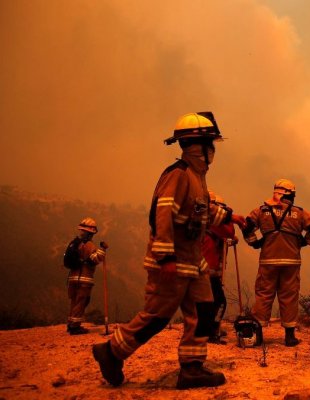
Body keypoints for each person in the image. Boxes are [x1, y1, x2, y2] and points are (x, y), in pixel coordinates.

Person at [92, 112, 245, 389]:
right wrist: (165, 258)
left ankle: (192, 369)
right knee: (157, 316)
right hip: (173, 260)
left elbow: (197, 211)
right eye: (211, 144)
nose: (213, 151)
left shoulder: (198, 177)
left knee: (204, 311)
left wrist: (229, 217)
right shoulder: (178, 175)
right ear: (198, 145)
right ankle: (112, 351)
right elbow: (162, 214)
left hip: (193, 261)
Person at [242, 178, 310, 346]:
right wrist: (304, 242)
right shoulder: (299, 212)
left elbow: (246, 225)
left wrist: (254, 242)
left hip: (268, 261)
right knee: (289, 296)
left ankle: (257, 335)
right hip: (291, 262)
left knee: (264, 295)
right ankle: (290, 336)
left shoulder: (261, 211)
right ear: (290, 195)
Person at [203, 191, 237, 343]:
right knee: (219, 302)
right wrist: (228, 218)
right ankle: (212, 332)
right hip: (208, 271)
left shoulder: (202, 222)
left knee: (204, 302)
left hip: (200, 270)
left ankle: (207, 329)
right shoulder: (213, 222)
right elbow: (229, 231)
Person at [65, 217, 107, 335]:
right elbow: (95, 259)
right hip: (84, 279)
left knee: (74, 301)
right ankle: (75, 327)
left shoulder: (75, 243)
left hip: (72, 279)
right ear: (91, 233)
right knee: (81, 302)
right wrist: (103, 249)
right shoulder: (89, 245)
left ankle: (70, 323)